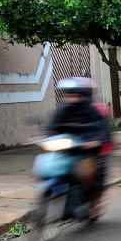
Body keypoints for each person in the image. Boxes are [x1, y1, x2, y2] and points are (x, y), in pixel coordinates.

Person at [44, 77, 112, 219]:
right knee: (46, 168)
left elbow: (104, 130)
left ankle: (94, 202)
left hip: (88, 151)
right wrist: (43, 137)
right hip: (68, 150)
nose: (72, 98)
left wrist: (96, 141)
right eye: (70, 94)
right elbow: (52, 127)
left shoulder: (94, 111)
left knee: (86, 174)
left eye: (76, 94)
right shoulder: (63, 110)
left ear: (85, 95)